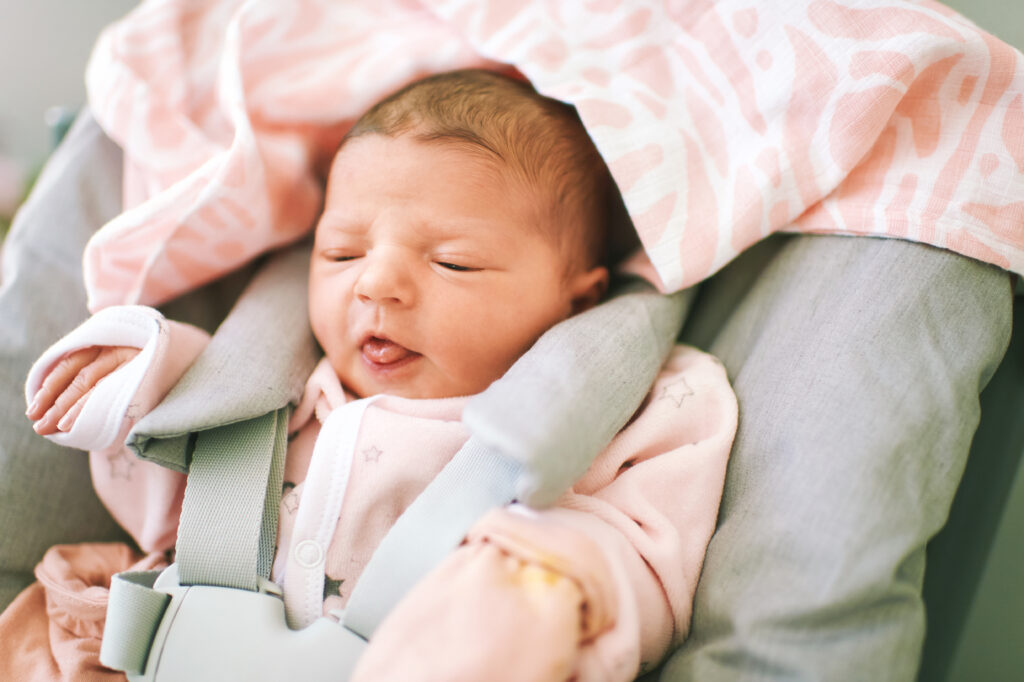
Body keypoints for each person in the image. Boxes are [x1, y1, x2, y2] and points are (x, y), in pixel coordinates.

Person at [17, 69, 737, 681]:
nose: (376, 285)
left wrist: (548, 579)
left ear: (578, 300)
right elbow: (152, 480)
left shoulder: (628, 403)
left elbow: (649, 554)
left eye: (453, 262)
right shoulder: (276, 399)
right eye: (341, 254)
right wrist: (127, 378)